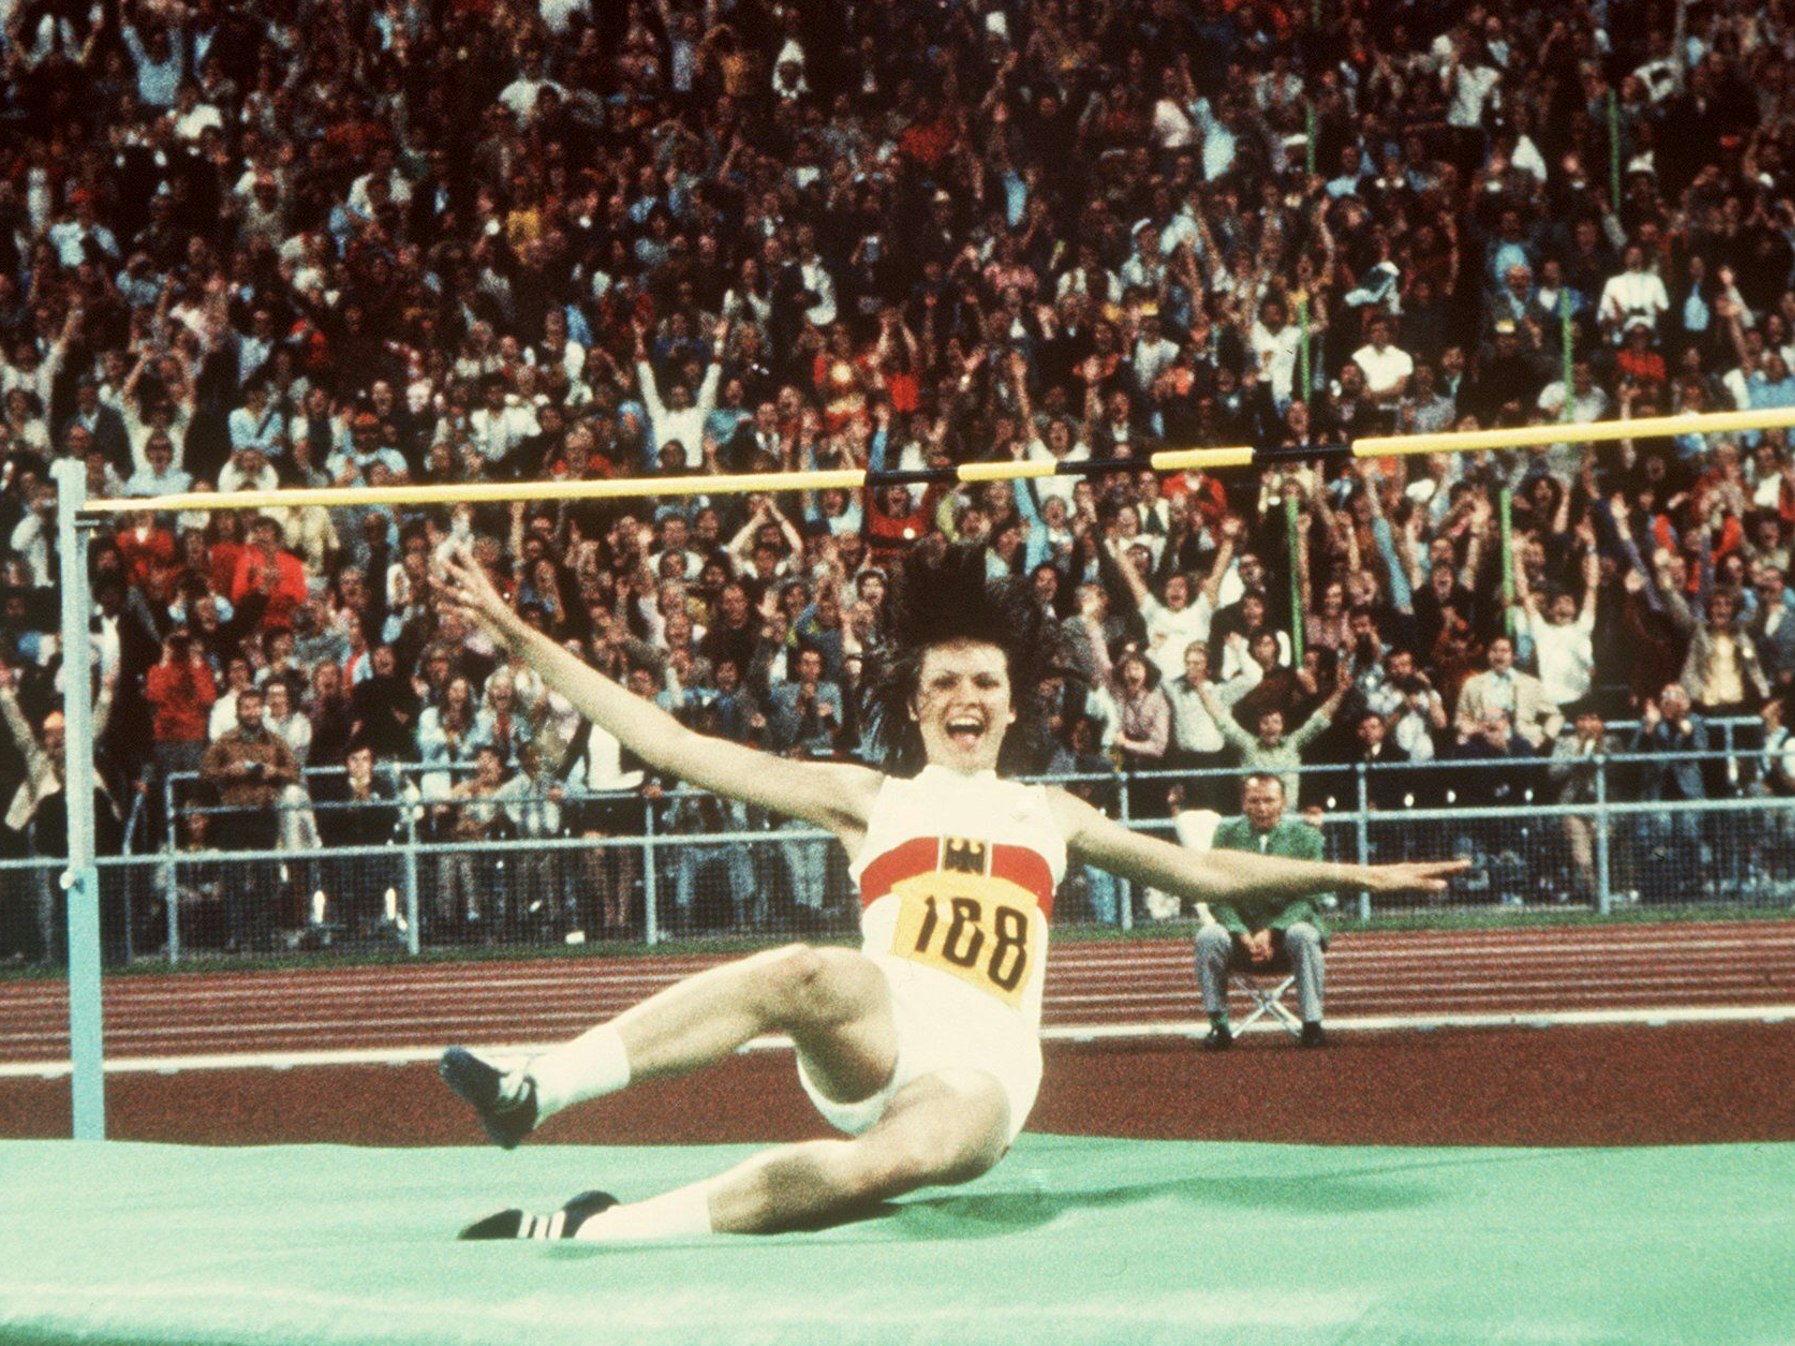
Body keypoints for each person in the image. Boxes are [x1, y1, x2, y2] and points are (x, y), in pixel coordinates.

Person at [432, 543, 1460, 1242]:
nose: (966, 698)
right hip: (881, 1023)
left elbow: (1202, 869)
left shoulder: (1049, 813)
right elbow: (672, 743)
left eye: (986, 685)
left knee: (889, 1161)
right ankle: (535, 1088)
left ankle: (599, 1226)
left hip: (981, 1072)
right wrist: (513, 632)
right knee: (803, 967)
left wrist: (1343, 869)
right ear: (918, 702)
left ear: (1010, 707)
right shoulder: (866, 795)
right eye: (946, 684)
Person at [1194, 774, 1331, 1050]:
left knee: (1304, 933)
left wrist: (1272, 931)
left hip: (1285, 939)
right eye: (1254, 801)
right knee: (1208, 935)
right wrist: (1244, 934)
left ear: (1283, 803)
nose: (1262, 808)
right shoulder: (1225, 835)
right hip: (1241, 939)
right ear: (1244, 804)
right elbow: (1217, 895)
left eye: (1269, 800)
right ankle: (1218, 1025)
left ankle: (1312, 1024)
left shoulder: (1307, 838)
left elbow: (1309, 898)